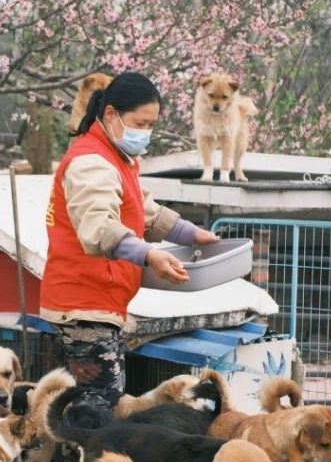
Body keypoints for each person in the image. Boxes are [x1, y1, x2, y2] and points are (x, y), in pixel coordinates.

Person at [40, 71, 219, 411]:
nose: (146, 133)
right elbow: (99, 227)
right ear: (111, 114)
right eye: (141, 123)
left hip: (98, 300)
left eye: (152, 125)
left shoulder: (116, 158)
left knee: (85, 407)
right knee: (98, 410)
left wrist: (191, 234)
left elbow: (143, 211)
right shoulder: (90, 162)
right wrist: (150, 255)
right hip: (84, 300)